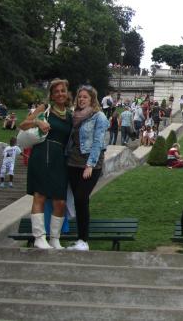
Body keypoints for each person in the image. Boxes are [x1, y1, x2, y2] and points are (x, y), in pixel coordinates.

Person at [20, 78, 72, 249]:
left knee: (60, 202)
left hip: (60, 159)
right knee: (40, 196)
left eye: (62, 90)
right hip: (42, 154)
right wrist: (37, 121)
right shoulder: (45, 109)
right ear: (51, 94)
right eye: (56, 91)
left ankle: (55, 238)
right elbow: (23, 124)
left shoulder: (70, 114)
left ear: (67, 92)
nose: (60, 94)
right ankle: (39, 237)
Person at [66, 85, 109, 251]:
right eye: (80, 97)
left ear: (92, 99)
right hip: (73, 161)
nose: (81, 99)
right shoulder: (74, 115)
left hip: (91, 163)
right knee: (78, 201)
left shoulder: (99, 117)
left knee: (81, 198)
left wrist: (90, 165)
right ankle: (80, 239)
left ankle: (84, 240)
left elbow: (98, 142)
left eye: (85, 97)